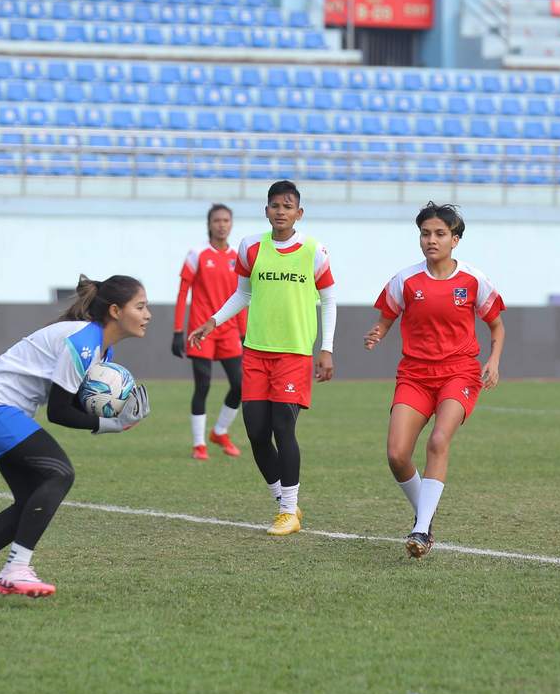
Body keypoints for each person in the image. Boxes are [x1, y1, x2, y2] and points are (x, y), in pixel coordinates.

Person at [0, 275, 152, 603]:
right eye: (141, 306)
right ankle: (15, 569)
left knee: (29, 501)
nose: (148, 314)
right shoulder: (84, 341)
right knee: (59, 473)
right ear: (117, 311)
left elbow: (73, 401)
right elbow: (60, 411)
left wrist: (115, 419)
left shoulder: (101, 351)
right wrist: (111, 424)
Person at [188, 180, 336, 536]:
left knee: (283, 428)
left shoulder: (314, 251)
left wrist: (326, 349)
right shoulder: (250, 247)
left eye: (288, 206)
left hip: (294, 354)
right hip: (255, 352)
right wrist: (212, 321)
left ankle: (287, 511)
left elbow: (328, 300)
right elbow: (242, 293)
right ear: (265, 210)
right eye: (275, 206)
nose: (281, 212)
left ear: (299, 213)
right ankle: (285, 502)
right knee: (256, 432)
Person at [364, 202, 505, 559]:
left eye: (440, 233)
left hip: (459, 372)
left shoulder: (473, 280)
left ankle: (421, 529)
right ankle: (425, 515)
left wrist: (494, 360)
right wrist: (377, 333)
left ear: (455, 240)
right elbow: (386, 316)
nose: (431, 240)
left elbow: (496, 325)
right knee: (397, 455)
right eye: (425, 233)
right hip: (414, 375)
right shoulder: (406, 280)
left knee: (439, 440)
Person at [172, 203, 246, 461]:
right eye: (217, 220)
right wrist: (178, 330)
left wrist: (245, 333)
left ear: (231, 224)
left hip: (230, 331)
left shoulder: (239, 257)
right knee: (202, 385)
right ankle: (199, 444)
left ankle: (220, 431)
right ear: (209, 224)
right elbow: (183, 293)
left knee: (240, 385)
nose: (222, 224)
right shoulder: (197, 254)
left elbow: (244, 296)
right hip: (200, 331)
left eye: (226, 220)